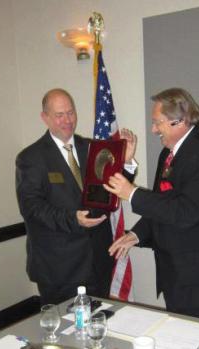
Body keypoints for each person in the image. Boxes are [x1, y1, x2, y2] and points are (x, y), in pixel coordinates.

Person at [104, 87, 199, 322]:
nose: (152, 129)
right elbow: (164, 205)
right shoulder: (168, 154)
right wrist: (137, 234)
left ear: (179, 121)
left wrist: (132, 194)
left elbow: (187, 212)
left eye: (157, 122)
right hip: (178, 278)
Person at [16, 88, 137, 305]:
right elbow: (32, 208)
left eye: (70, 113)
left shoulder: (91, 148)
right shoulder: (31, 157)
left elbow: (111, 187)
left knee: (99, 325)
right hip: (59, 268)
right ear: (45, 118)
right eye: (59, 115)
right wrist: (74, 218)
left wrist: (126, 162)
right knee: (64, 333)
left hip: (98, 262)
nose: (67, 120)